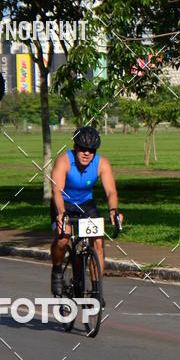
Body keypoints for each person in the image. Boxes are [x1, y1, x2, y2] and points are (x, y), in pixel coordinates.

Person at [50, 125, 123, 296]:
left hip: (85, 204)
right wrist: (61, 214)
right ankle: (57, 270)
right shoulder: (64, 161)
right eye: (82, 148)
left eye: (91, 150)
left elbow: (111, 191)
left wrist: (113, 210)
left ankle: (96, 290)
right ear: (75, 147)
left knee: (97, 242)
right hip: (64, 203)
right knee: (63, 238)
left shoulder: (102, 164)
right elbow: (57, 191)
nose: (86, 153)